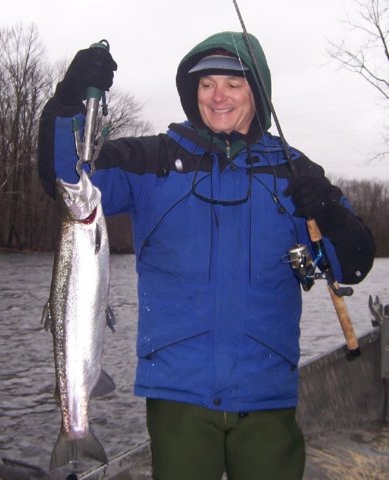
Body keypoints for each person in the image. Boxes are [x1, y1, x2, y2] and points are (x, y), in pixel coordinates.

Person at [37, 31, 376, 480]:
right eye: (206, 84)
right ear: (190, 91)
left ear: (258, 93)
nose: (218, 97)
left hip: (267, 399)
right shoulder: (151, 159)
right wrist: (66, 104)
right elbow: (65, 179)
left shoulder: (294, 171)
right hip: (178, 397)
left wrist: (330, 212)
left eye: (233, 84)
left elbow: (352, 263)